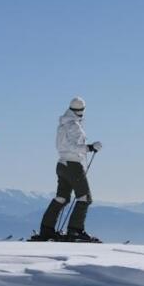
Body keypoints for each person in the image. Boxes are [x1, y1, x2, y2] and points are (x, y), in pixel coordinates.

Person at [34, 97, 102, 242]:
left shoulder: (62, 124)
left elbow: (61, 147)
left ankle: (46, 230)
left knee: (62, 198)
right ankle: (75, 231)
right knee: (85, 198)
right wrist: (90, 147)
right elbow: (71, 146)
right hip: (73, 165)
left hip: (61, 164)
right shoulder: (74, 126)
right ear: (82, 110)